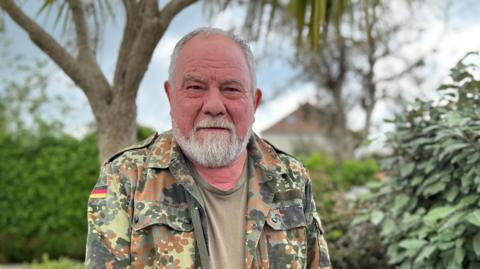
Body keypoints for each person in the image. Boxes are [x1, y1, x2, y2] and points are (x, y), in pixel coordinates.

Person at [85, 27, 332, 269]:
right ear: (171, 97)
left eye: (231, 89)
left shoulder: (291, 178)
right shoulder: (126, 178)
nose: (214, 105)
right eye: (195, 87)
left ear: (254, 103)